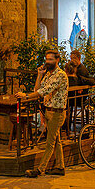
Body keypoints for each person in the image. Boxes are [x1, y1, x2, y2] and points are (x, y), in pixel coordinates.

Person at [21, 50, 69, 178]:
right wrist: (39, 75)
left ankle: (40, 169)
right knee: (56, 140)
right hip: (49, 111)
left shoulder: (60, 75)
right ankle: (60, 166)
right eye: (47, 59)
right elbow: (38, 89)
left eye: (51, 59)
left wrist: (26, 96)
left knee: (50, 143)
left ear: (57, 60)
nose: (48, 62)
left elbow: (44, 91)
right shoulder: (48, 74)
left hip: (57, 113)